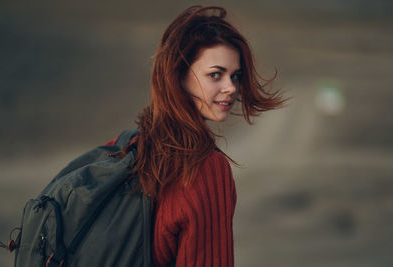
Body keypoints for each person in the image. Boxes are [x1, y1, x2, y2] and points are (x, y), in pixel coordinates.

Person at [105, 5, 285, 267]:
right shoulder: (206, 168)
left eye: (235, 76)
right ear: (178, 77)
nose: (231, 88)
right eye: (215, 75)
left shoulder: (122, 147)